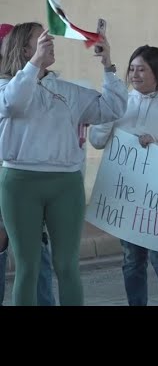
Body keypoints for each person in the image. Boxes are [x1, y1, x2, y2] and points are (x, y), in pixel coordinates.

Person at [0, 22, 127, 306]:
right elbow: (13, 104)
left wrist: (108, 65)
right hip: (20, 184)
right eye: (41, 39)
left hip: (66, 185)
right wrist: (34, 64)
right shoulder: (6, 86)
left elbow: (113, 109)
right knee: (27, 267)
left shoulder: (67, 90)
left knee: (67, 266)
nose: (50, 41)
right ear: (24, 50)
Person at [89, 45, 158, 306]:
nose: (135, 75)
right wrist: (106, 114)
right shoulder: (120, 102)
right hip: (128, 195)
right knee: (131, 260)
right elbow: (96, 140)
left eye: (142, 69)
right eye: (132, 69)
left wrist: (157, 145)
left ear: (157, 73)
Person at [0, 23, 55, 306]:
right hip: (10, 180)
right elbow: (10, 104)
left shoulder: (38, 84)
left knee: (36, 253)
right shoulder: (6, 87)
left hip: (28, 184)